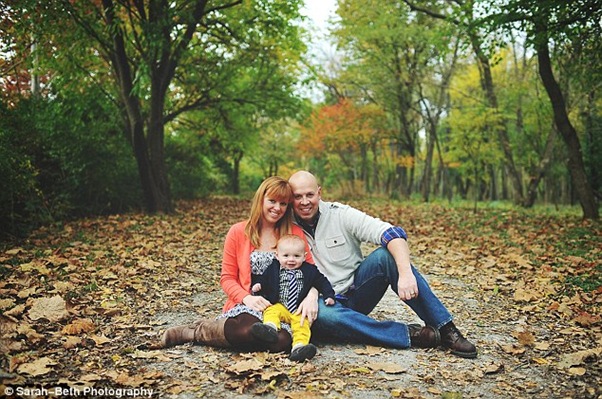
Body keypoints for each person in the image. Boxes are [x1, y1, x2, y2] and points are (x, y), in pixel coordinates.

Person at [287, 170, 477, 358]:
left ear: (319, 193)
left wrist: (405, 274)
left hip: (357, 293)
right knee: (321, 316)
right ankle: (411, 335)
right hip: (321, 304)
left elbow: (392, 233)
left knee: (385, 256)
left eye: (309, 195)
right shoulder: (285, 226)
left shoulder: (340, 215)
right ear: (290, 198)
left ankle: (446, 329)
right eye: (297, 196)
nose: (305, 202)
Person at [161, 176, 317, 354]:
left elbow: (311, 270)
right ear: (261, 199)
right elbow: (227, 278)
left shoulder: (294, 233)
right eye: (272, 201)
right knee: (246, 330)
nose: (277, 208)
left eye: (283, 203)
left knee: (280, 342)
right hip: (247, 305)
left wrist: (312, 295)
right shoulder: (238, 232)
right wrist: (247, 298)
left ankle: (233, 337)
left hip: (280, 310)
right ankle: (195, 332)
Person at [250, 234, 336, 361]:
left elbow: (322, 282)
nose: (291, 260)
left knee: (302, 325)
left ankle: (299, 347)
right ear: (277, 255)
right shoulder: (274, 268)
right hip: (280, 304)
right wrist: (258, 285)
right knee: (271, 310)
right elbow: (264, 278)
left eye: (296, 256)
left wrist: (329, 295)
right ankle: (270, 328)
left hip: (299, 308)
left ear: (304, 256)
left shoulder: (310, 270)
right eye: (286, 256)